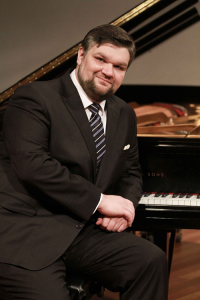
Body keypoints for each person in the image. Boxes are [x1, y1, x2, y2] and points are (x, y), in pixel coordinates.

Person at [0, 24, 168, 300]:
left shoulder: (124, 113)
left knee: (150, 260)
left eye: (119, 66)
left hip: (82, 232)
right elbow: (34, 165)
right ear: (80, 56)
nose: (108, 71)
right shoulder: (34, 97)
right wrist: (101, 201)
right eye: (100, 59)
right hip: (28, 232)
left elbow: (131, 171)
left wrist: (123, 209)